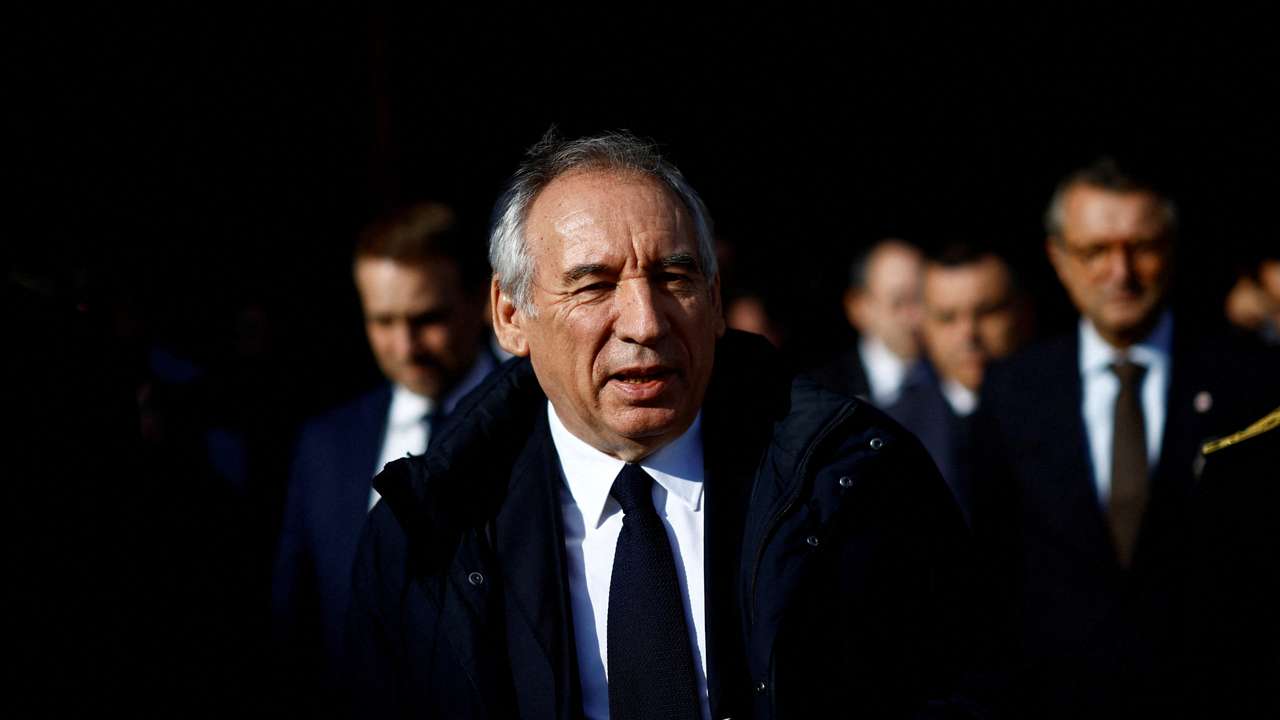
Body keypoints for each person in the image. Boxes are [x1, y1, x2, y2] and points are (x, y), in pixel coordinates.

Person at [347, 132, 990, 719]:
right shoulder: (428, 535)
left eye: (674, 277)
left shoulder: (857, 482)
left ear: (715, 302)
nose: (645, 322)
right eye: (594, 286)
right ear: (511, 315)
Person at [973, 157, 1280, 717]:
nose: (1121, 272)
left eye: (1141, 247)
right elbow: (990, 572)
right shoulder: (1013, 391)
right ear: (1059, 260)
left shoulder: (1253, 382)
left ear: (1173, 249)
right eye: (1095, 251)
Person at [271, 201, 497, 710]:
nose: (405, 345)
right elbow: (296, 624)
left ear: (481, 298)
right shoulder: (326, 446)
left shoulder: (546, 430)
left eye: (427, 319)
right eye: (383, 321)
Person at [887, 245, 1029, 522]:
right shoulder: (891, 432)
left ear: (1022, 312)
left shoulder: (1065, 409)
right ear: (923, 325)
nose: (968, 334)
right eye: (947, 317)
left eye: (987, 312)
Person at [811, 238, 923, 406]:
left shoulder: (953, 378)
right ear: (859, 308)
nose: (917, 316)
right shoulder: (824, 394)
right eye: (898, 303)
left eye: (923, 299)